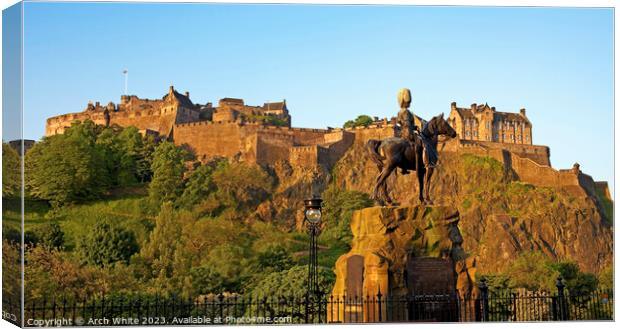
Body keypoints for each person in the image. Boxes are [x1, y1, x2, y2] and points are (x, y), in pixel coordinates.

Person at [396, 88, 437, 174]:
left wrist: (415, 127)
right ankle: (426, 163)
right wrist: (413, 129)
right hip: (408, 134)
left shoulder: (400, 112)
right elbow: (407, 124)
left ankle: (404, 168)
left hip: (401, 133)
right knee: (424, 143)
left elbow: (400, 123)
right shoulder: (407, 112)